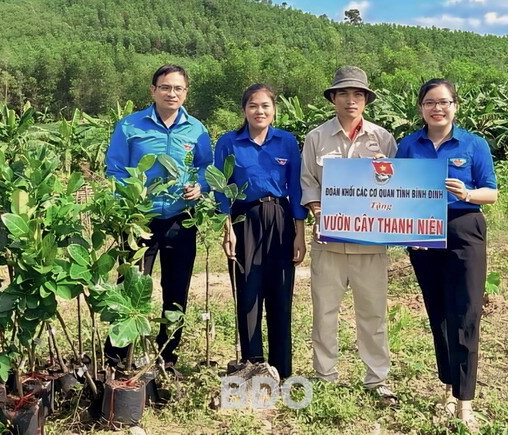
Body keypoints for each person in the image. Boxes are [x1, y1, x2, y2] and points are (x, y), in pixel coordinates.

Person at [396, 78, 498, 430]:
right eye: (429, 102)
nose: (437, 108)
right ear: (421, 108)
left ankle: (465, 402)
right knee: (437, 312)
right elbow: (396, 191)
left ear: (455, 105)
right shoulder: (409, 145)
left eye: (444, 102)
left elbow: (492, 193)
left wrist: (467, 193)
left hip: (464, 230)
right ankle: (447, 387)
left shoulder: (473, 144)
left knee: (466, 313)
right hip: (424, 236)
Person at [300, 66, 398, 405]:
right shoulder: (316, 138)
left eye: (358, 94)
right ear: (333, 99)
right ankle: (325, 376)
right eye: (343, 94)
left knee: (373, 313)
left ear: (366, 100)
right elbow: (309, 181)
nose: (350, 100)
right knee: (324, 312)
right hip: (329, 243)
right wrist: (316, 210)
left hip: (370, 245)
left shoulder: (382, 139)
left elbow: (396, 187)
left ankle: (377, 379)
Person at [105, 64, 213, 370]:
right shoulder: (130, 126)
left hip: (181, 219)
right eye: (166, 87)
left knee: (176, 290)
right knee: (130, 288)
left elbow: (206, 166)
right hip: (139, 220)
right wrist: (133, 198)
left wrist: (200, 185)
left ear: (186, 92)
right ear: (153, 90)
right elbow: (114, 170)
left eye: (178, 88)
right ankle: (117, 359)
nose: (172, 93)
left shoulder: (197, 130)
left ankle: (167, 358)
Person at [215, 83, 307, 379]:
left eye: (266, 106)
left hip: (280, 218)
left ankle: (282, 369)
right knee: (248, 291)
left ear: (274, 110)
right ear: (244, 110)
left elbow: (296, 188)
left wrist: (300, 233)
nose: (260, 111)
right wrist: (226, 227)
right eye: (253, 105)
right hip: (245, 219)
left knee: (280, 292)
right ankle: (253, 365)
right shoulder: (229, 142)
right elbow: (221, 188)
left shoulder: (287, 142)